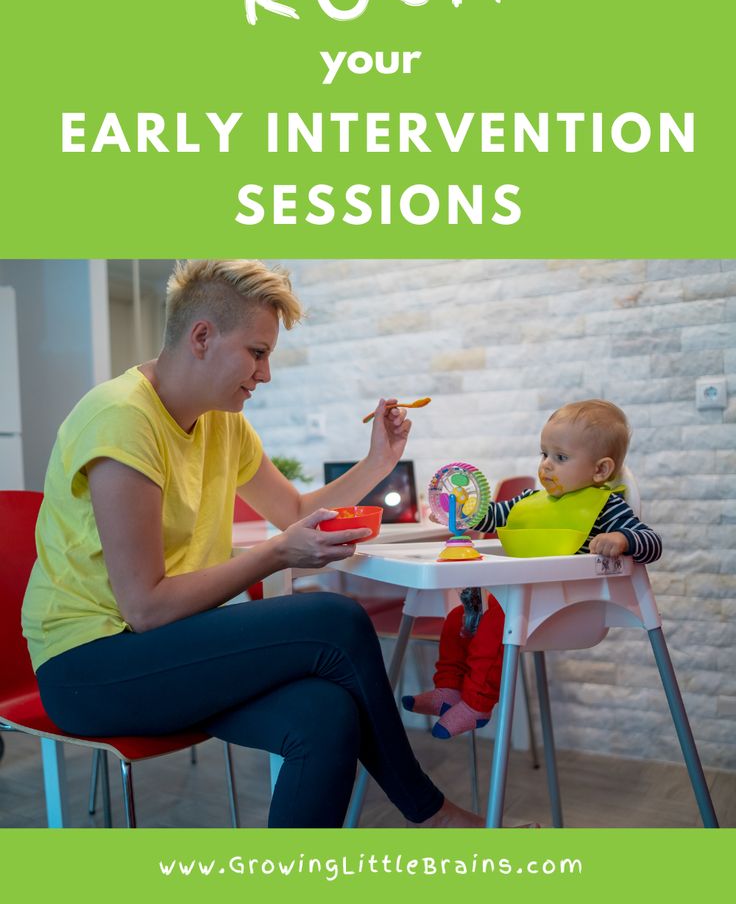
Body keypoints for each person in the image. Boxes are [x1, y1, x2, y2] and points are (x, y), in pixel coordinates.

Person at [21, 259, 482, 828]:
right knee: (337, 621)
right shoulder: (121, 420)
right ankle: (431, 813)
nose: (265, 374)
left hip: (165, 646)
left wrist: (377, 462)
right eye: (258, 353)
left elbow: (291, 510)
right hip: (88, 667)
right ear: (202, 337)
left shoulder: (223, 422)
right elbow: (144, 607)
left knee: (326, 713)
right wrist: (275, 553)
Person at [403, 399, 663, 739]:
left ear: (600, 470)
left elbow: (652, 542)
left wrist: (622, 539)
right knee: (456, 621)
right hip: (518, 601)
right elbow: (493, 517)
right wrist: (459, 513)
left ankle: (478, 703)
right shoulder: (530, 500)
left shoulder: (605, 506)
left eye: (560, 457)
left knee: (495, 622)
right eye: (544, 454)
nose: (546, 466)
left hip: (566, 609)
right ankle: (449, 691)